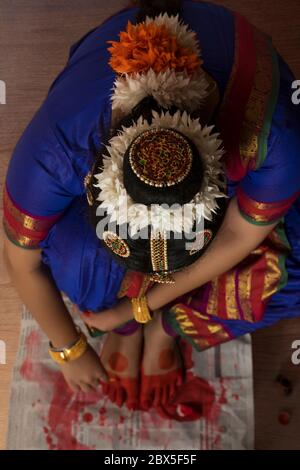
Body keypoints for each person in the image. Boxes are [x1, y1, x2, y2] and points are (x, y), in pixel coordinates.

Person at [3, 0, 300, 412]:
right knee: (79, 258)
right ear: (94, 183)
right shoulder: (57, 150)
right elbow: (20, 261)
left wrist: (142, 308)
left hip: (243, 125)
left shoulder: (272, 139)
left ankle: (164, 329)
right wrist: (69, 347)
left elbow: (238, 234)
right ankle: (127, 330)